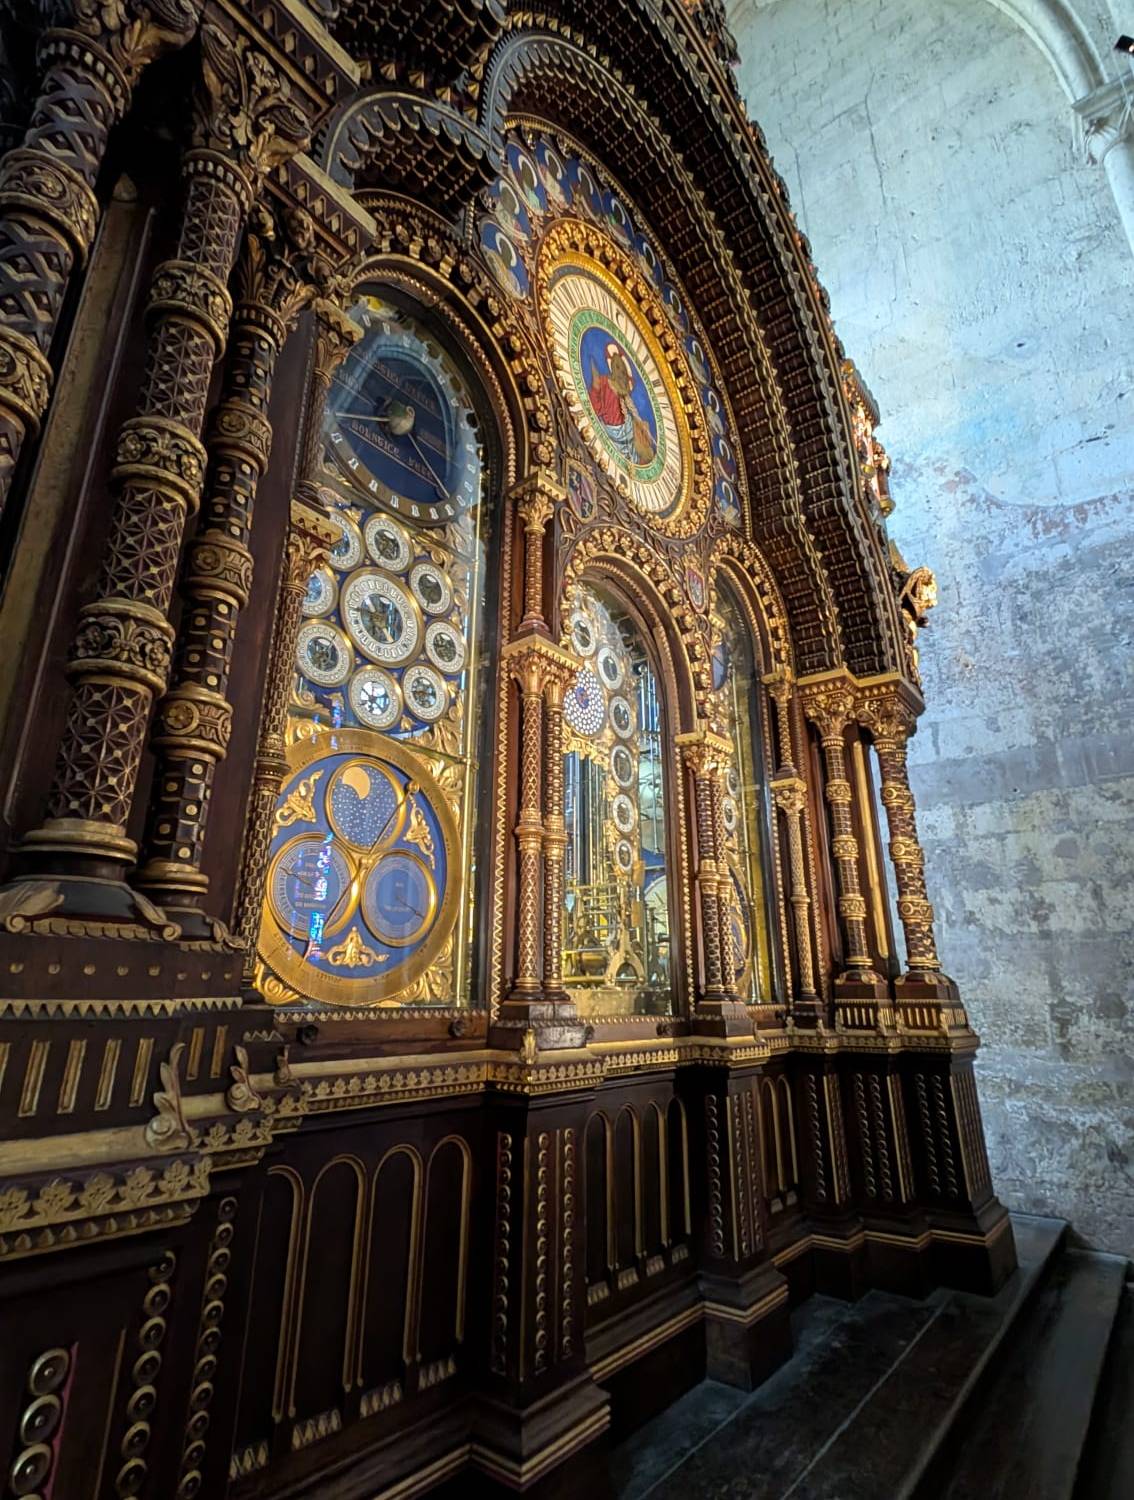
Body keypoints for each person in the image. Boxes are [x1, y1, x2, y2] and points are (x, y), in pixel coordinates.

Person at [587, 341, 655, 466]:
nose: (620, 371)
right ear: (612, 367)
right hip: (611, 430)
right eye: (617, 367)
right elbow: (596, 408)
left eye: (622, 369)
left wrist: (641, 424)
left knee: (642, 443)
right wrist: (596, 387)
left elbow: (632, 410)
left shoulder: (623, 391)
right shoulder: (604, 382)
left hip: (627, 428)